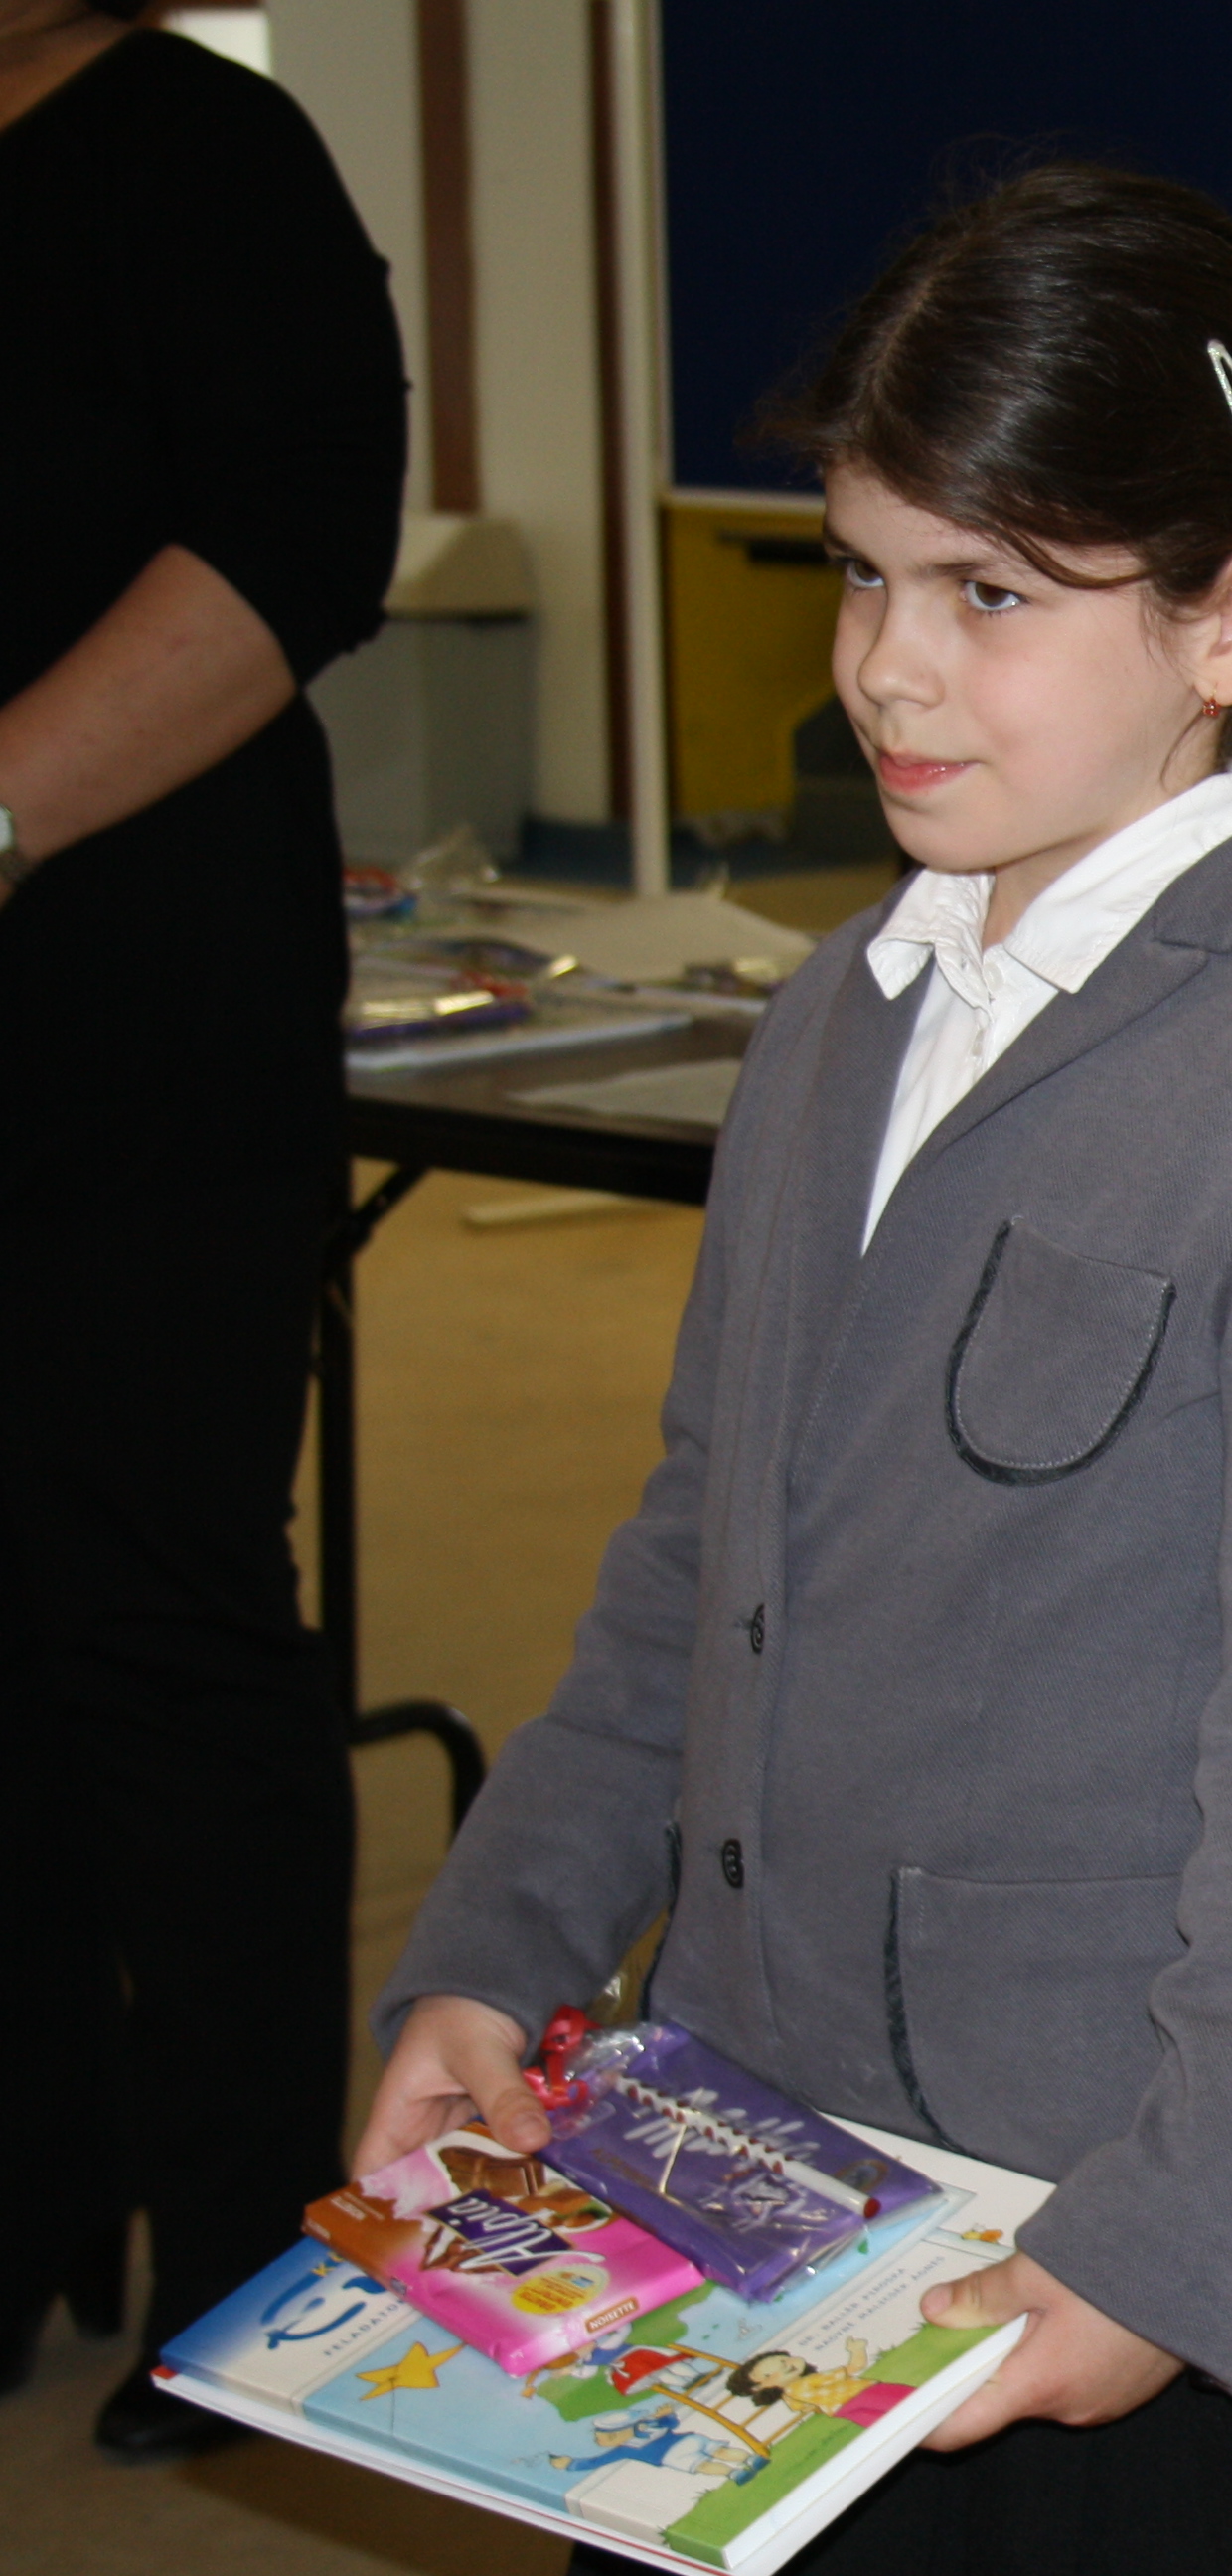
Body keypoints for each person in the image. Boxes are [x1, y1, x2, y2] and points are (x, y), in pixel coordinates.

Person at [352, 165, 1232, 2574]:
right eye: (859, 571)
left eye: (989, 594)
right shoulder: (834, 1016)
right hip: (741, 2181)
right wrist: (496, 1954)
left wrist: (1171, 2244)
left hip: (1102, 2266)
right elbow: (693, 1571)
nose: (887, 667)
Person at [0, 0, 405, 2461]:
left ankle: (248, 2258)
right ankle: (30, 2190)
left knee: (157, 1626)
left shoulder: (198, 150)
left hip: (133, 1027)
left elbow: (292, 544)